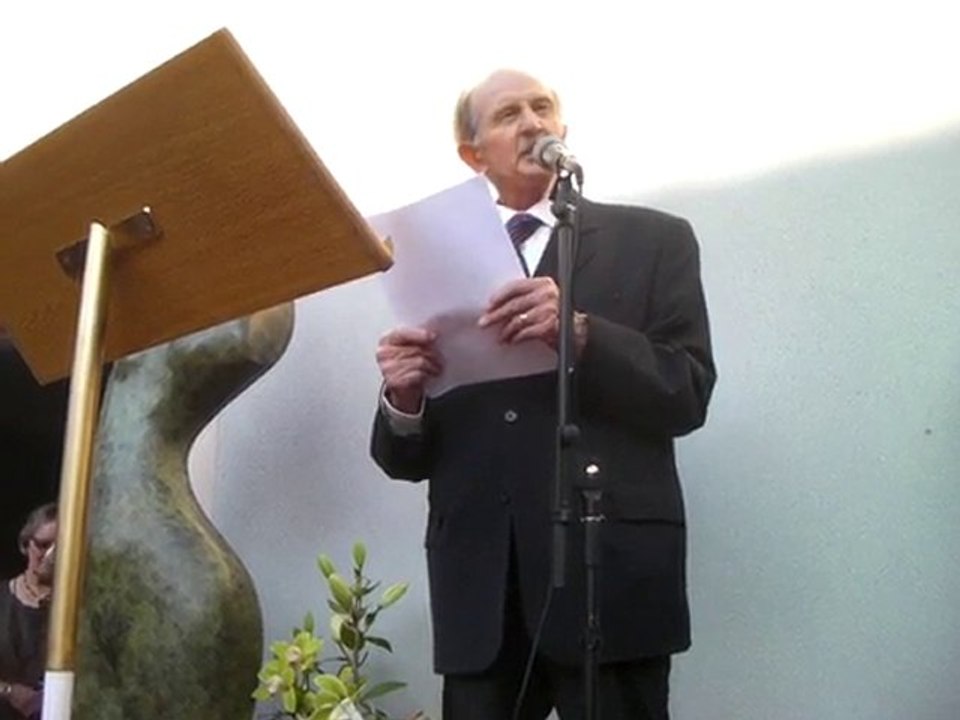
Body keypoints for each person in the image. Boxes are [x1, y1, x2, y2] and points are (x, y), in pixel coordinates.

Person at [370, 69, 716, 719]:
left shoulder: (655, 241)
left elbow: (687, 391)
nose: (531, 122)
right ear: (473, 154)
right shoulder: (427, 254)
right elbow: (403, 460)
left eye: (543, 108)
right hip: (483, 591)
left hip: (606, 572)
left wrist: (582, 334)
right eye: (508, 115)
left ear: (563, 130)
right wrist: (403, 396)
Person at [0, 503, 56, 720]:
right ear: (26, 545)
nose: (50, 555)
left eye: (61, 547)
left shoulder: (80, 612)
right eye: (43, 545)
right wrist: (9, 692)